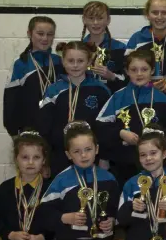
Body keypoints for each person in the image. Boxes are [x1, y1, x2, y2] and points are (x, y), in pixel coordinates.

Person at [40, 121, 120, 240]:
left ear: (96, 149)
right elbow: (44, 213)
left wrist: (113, 221)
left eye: (88, 149)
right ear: (68, 154)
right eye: (77, 151)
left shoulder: (109, 179)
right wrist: (64, 218)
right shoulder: (61, 180)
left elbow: (117, 209)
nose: (83, 155)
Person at [96, 49, 166, 186]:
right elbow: (99, 127)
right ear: (126, 71)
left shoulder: (162, 100)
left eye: (144, 69)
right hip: (124, 164)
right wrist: (120, 133)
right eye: (134, 70)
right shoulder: (118, 97)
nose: (139, 74)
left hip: (155, 166)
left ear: (152, 71)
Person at [38, 41, 112, 176]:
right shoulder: (53, 90)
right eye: (71, 60)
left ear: (89, 62)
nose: (75, 65)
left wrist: (104, 157)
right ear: (63, 61)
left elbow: (106, 128)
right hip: (60, 156)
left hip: (91, 156)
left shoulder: (101, 90)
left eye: (80, 61)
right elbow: (44, 127)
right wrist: (45, 161)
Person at [4, 16, 62, 136]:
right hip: (30, 131)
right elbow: (10, 101)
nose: (45, 38)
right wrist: (14, 133)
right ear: (29, 34)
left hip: (56, 130)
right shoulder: (20, 64)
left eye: (50, 34)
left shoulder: (60, 62)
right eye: (40, 34)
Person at [80, 1, 128, 92]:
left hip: (112, 101)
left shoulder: (120, 48)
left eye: (100, 18)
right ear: (84, 20)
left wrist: (112, 76)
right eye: (91, 18)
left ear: (108, 20)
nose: (95, 22)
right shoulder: (77, 49)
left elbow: (129, 81)